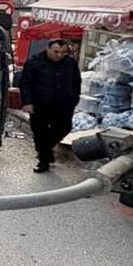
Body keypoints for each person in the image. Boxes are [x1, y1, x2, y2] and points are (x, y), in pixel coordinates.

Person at [19, 39, 81, 173]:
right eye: (56, 52)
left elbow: (76, 83)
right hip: (40, 104)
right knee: (40, 132)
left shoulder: (69, 64)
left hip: (63, 103)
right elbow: (25, 83)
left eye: (63, 52)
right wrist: (27, 102)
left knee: (64, 128)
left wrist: (74, 99)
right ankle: (44, 160)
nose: (59, 55)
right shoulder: (34, 62)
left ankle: (45, 150)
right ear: (48, 49)